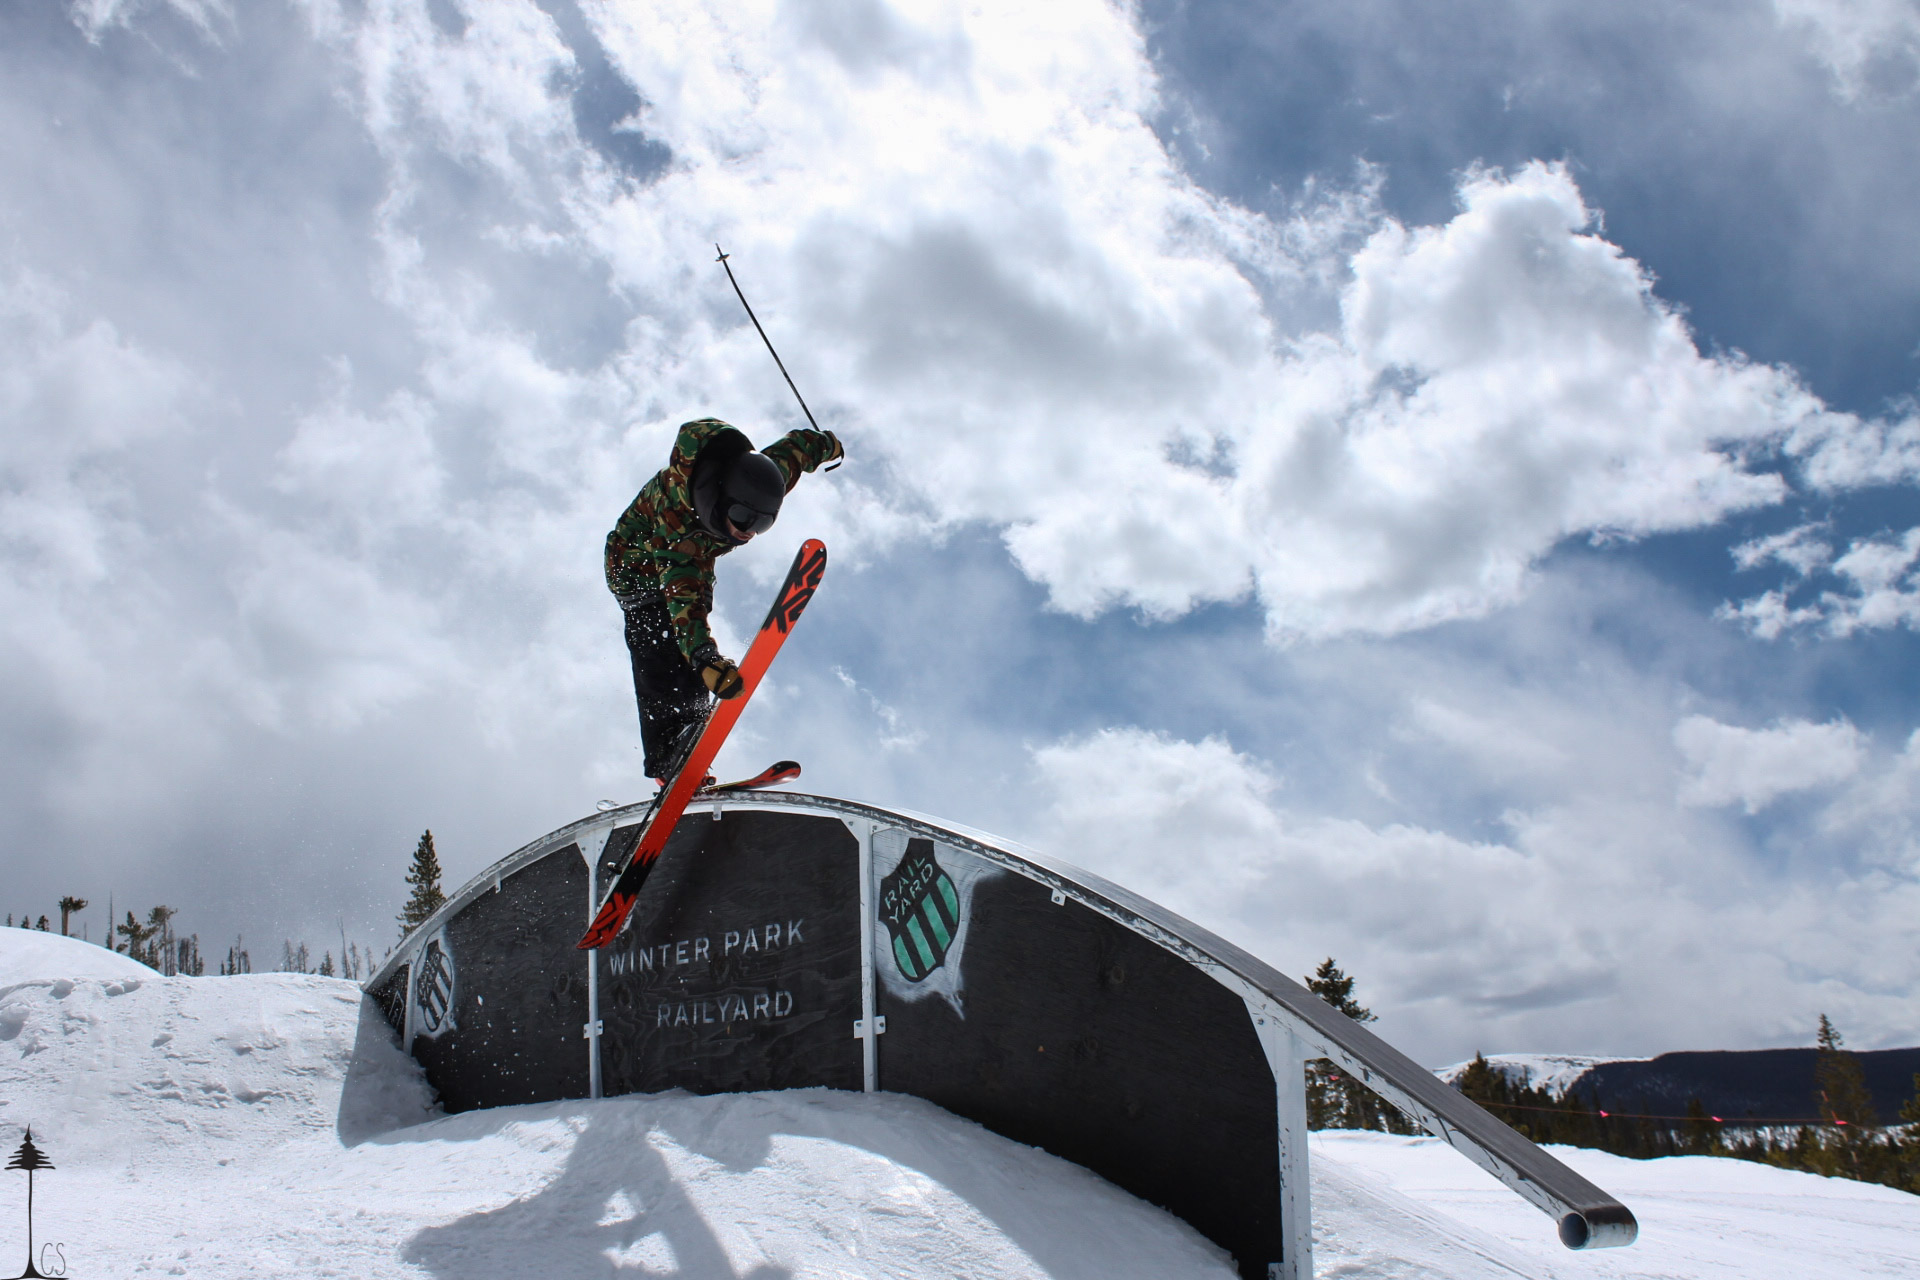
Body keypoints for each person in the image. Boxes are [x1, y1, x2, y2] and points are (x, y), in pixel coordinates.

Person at [606, 417, 842, 781]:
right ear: (722, 500)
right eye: (742, 517)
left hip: (694, 567)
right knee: (662, 641)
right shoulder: (678, 521)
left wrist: (825, 444)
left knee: (691, 635)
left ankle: (691, 731)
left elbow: (793, 453)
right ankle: (668, 754)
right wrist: (705, 657)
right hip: (637, 571)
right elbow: (681, 600)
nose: (748, 531)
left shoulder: (757, 477)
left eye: (762, 523)